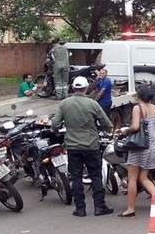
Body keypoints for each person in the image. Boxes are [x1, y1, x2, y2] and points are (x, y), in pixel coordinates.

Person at [48, 76, 114, 217]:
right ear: (86, 88)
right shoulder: (92, 104)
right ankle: (99, 207)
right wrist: (109, 131)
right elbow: (106, 123)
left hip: (72, 145)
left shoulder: (64, 104)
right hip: (91, 145)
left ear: (73, 88)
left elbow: (55, 123)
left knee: (76, 177)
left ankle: (80, 209)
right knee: (96, 176)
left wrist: (56, 131)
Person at [117, 86, 155, 218]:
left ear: (139, 96)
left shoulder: (137, 108)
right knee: (143, 177)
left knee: (132, 178)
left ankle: (130, 209)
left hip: (139, 147)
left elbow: (135, 127)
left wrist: (125, 130)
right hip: (153, 147)